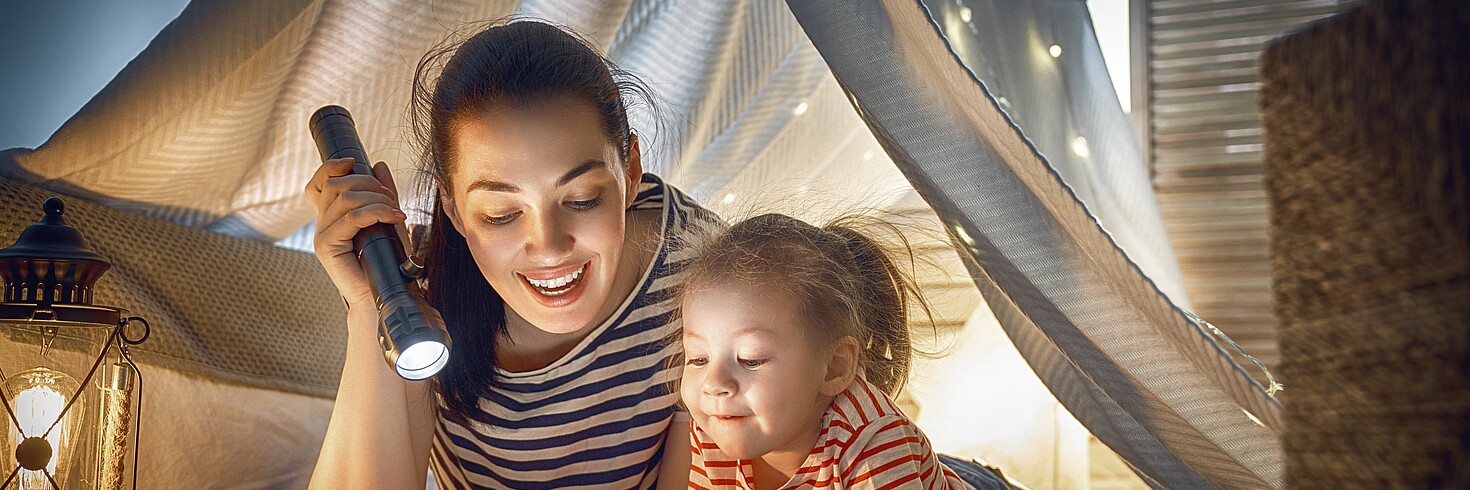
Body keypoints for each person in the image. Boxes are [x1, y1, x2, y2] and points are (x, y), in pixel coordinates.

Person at [304, 20, 722, 489]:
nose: (548, 246)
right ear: (454, 208)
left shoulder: (701, 269)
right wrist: (368, 306)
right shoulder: (418, 289)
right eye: (501, 213)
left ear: (631, 169)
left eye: (582, 198)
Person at [678, 213, 974, 490]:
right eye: (698, 358)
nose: (713, 384)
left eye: (750, 359)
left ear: (834, 366)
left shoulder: (873, 443)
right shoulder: (718, 422)